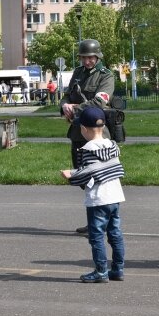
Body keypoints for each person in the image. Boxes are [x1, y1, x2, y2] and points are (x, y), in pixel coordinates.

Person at [61, 107, 126, 283]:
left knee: (96, 235)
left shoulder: (87, 149)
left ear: (83, 129)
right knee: (115, 234)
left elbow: (89, 172)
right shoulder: (112, 145)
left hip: (98, 199)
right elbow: (105, 168)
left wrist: (71, 175)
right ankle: (118, 269)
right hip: (115, 196)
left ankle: (101, 271)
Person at [60, 38, 115, 235]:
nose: (86, 61)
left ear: (97, 56)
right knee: (83, 177)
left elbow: (100, 101)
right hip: (77, 131)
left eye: (90, 58)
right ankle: (94, 220)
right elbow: (67, 95)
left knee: (99, 178)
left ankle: (104, 220)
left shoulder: (106, 75)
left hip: (96, 133)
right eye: (83, 58)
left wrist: (75, 109)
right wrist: (65, 105)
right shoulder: (78, 72)